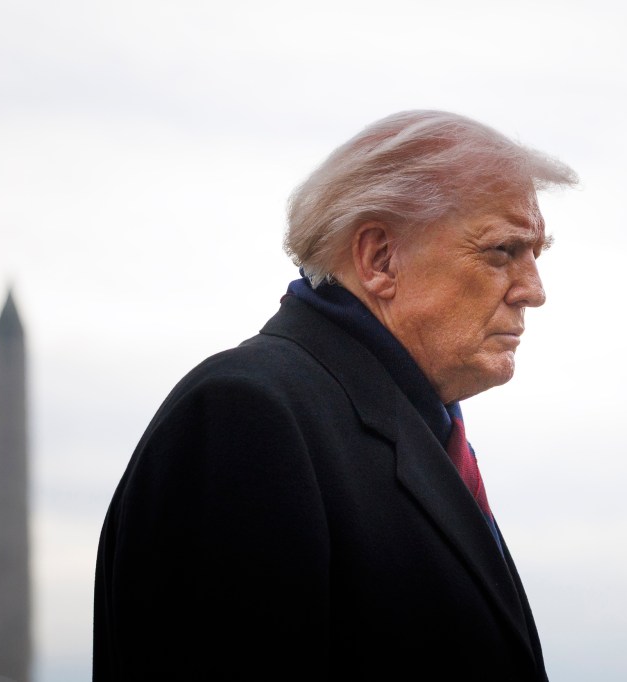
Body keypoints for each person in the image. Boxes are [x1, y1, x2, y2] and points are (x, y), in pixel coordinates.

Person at [93, 110, 577, 681]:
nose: (534, 292)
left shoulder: (409, 426)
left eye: (535, 256)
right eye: (502, 251)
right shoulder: (245, 418)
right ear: (379, 260)